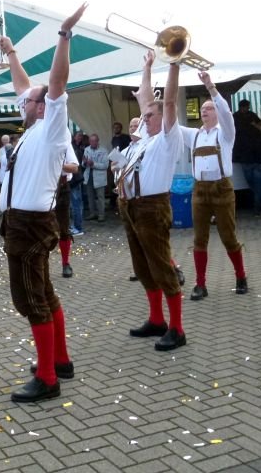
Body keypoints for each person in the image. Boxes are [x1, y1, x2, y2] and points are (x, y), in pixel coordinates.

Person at [0, 3, 86, 403]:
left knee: (30, 299)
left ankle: (49, 378)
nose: (25, 100)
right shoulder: (32, 127)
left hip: (30, 224)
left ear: (43, 106)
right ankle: (60, 360)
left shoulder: (52, 127)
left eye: (31, 99)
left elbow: (56, 82)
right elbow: (24, 85)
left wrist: (63, 35)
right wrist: (11, 51)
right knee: (44, 294)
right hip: (22, 222)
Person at [117, 51, 185, 352]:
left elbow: (167, 102)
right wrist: (145, 67)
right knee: (143, 266)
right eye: (143, 117)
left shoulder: (168, 137)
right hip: (131, 207)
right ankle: (157, 319)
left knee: (160, 265)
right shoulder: (144, 136)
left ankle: (177, 328)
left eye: (149, 116)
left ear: (163, 118)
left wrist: (173, 64)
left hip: (152, 206)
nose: (143, 119)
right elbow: (146, 98)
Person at [179, 72, 248, 301]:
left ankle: (241, 276)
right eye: (203, 109)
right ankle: (200, 284)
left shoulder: (226, 133)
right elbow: (170, 125)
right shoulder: (193, 135)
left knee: (228, 236)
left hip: (222, 189)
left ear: (217, 112)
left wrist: (210, 87)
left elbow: (226, 112)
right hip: (199, 189)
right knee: (199, 239)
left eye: (209, 108)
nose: (204, 111)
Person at [233, 99, 261, 215]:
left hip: (246, 158)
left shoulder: (236, 117)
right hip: (255, 158)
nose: (246, 109)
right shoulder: (251, 119)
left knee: (253, 184)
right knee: (257, 186)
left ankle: (260, 207)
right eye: (246, 107)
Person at [57, 146, 80, 278]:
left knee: (63, 228)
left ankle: (66, 263)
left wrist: (57, 164)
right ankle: (41, 264)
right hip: (43, 188)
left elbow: (74, 168)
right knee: (41, 227)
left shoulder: (64, 144)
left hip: (62, 188)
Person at [83, 134, 108, 222]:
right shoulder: (86, 149)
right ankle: (92, 213)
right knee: (90, 197)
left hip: (99, 177)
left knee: (100, 197)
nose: (93, 142)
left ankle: (101, 215)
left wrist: (93, 164)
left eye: (94, 141)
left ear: (98, 141)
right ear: (89, 141)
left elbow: (105, 165)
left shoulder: (104, 151)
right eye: (91, 141)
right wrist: (85, 163)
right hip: (89, 176)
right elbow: (83, 164)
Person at [69, 131, 85, 235]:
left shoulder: (74, 149)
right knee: (75, 204)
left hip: (74, 179)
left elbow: (76, 166)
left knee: (76, 205)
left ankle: (78, 228)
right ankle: (76, 226)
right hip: (74, 179)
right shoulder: (74, 147)